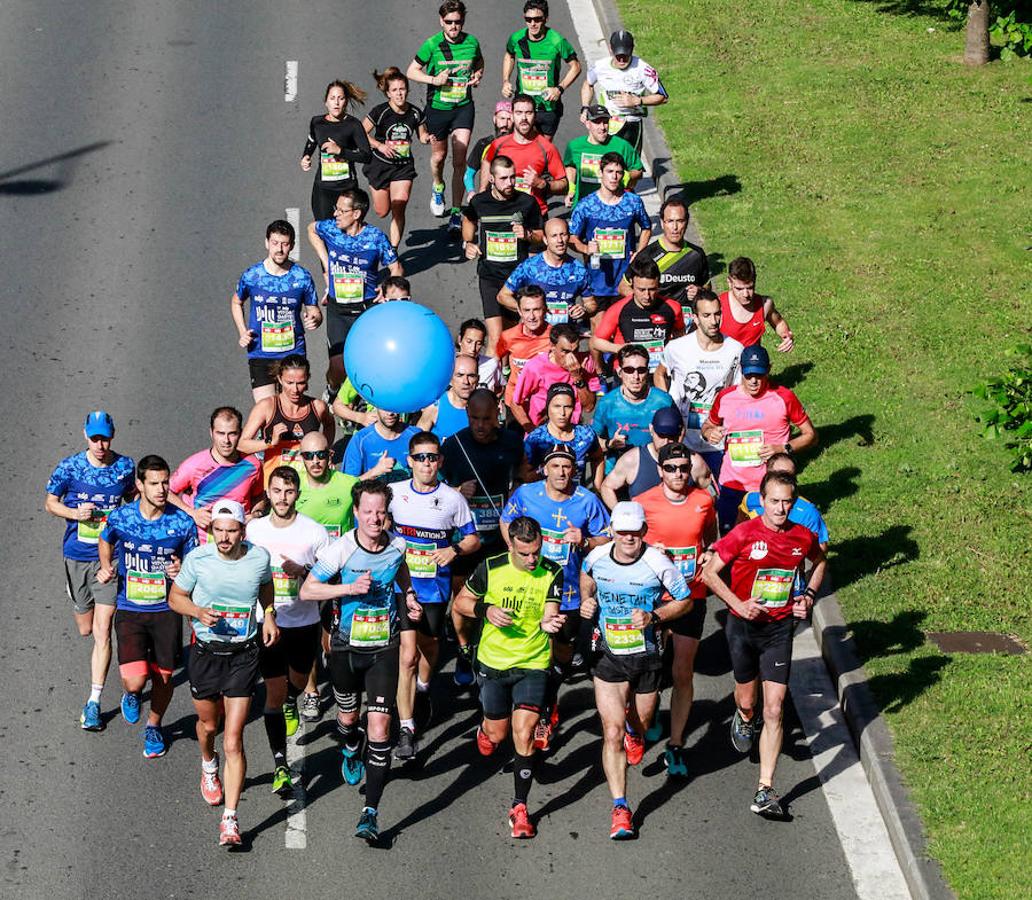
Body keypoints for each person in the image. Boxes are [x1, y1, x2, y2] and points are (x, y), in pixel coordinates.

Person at [300, 480, 421, 842]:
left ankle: (370, 811)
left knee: (381, 727)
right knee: (349, 717)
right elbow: (308, 590)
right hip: (345, 648)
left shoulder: (397, 544)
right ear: (356, 513)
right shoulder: (341, 550)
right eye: (367, 512)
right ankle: (351, 745)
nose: (374, 519)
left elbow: (401, 570)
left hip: (384, 647)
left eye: (380, 512)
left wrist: (410, 594)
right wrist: (348, 589)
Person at [702, 471, 827, 817]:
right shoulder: (745, 533)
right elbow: (710, 573)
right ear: (762, 501)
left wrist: (809, 596)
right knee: (748, 701)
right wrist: (737, 604)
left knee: (775, 708)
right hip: (742, 627)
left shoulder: (802, 537)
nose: (781, 508)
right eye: (774, 501)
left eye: (787, 501)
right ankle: (743, 716)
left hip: (778, 628)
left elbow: (819, 560)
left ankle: (765, 789)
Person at [168, 499, 277, 848]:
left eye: (231, 531)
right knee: (210, 726)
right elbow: (175, 598)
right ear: (212, 530)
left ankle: (230, 820)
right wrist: (198, 612)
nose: (225, 538)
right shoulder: (199, 559)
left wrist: (269, 613)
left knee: (234, 738)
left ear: (243, 531)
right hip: (205, 654)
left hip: (243, 654)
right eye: (219, 530)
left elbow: (265, 585)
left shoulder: (258, 557)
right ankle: (207, 762)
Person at [579, 501, 690, 839]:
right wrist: (588, 599)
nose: (628, 538)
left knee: (638, 723)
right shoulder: (598, 557)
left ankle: (635, 730)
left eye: (634, 532)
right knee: (610, 732)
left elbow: (685, 600)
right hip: (608, 656)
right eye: (622, 531)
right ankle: (620, 807)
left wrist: (654, 617)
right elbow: (586, 577)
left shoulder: (658, 563)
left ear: (644, 531)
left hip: (647, 658)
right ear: (612, 531)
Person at [452, 516, 565, 838]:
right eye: (525, 554)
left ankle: (519, 807)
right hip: (493, 662)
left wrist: (549, 625)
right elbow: (461, 603)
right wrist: (485, 611)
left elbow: (550, 611)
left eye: (537, 552)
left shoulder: (552, 570)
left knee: (524, 733)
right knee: (498, 734)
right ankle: (485, 730)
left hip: (533, 661)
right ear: (511, 545)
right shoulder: (491, 567)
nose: (533, 560)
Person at [502, 445, 610, 745]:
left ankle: (549, 697)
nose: (562, 472)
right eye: (556, 466)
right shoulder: (527, 494)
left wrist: (586, 540)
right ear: (545, 469)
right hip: (531, 586)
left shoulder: (587, 500)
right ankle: (541, 708)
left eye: (567, 467)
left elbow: (607, 537)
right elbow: (506, 521)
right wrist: (514, 554)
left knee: (560, 653)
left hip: (569, 592)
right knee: (537, 652)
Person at [97, 455, 196, 758]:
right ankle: (132, 693)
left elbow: (193, 563)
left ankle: (154, 725)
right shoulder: (121, 517)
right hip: (130, 607)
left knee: (164, 675)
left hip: (166, 609)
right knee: (136, 678)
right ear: (139, 485)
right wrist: (105, 566)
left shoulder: (182, 522)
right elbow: (105, 539)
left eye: (165, 482)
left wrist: (181, 569)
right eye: (154, 483)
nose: (162, 489)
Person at [389, 432, 480, 759]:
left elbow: (473, 540)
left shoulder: (452, 499)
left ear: (440, 461)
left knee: (429, 646)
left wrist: (453, 550)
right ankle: (406, 728)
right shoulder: (395, 493)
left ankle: (424, 690)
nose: (427, 463)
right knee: (407, 656)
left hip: (435, 589)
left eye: (432, 457)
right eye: (420, 457)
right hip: (401, 588)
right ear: (410, 461)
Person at [45, 411, 136, 731]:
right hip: (77, 556)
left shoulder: (125, 467)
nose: (101, 444)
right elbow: (49, 503)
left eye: (106, 438)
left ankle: (94, 702)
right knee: (85, 627)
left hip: (109, 559)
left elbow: (133, 499)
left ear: (113, 435)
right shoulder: (69, 467)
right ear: (85, 435)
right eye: (95, 438)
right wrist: (74, 512)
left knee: (103, 629)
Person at [246, 466, 330, 797]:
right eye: (277, 491)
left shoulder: (314, 532)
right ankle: (280, 764)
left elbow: (331, 575)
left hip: (304, 623)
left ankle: (294, 699)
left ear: (298, 494)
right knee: (273, 693)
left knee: (296, 682)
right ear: (268, 493)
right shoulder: (254, 530)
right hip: (266, 622)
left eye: (289, 491)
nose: (283, 498)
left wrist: (305, 569)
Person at [634, 443, 717, 777]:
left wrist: (709, 553)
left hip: (690, 596)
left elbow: (710, 537)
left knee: (683, 672)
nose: (679, 474)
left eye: (684, 468)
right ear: (660, 471)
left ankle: (676, 745)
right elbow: (626, 545)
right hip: (653, 598)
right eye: (671, 468)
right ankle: (647, 714)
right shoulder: (643, 504)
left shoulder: (703, 501)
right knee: (648, 670)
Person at [441, 388, 525, 685]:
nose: (480, 425)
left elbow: (524, 475)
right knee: (463, 600)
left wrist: (516, 494)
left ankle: (495, 656)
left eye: (486, 418)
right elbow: (434, 489)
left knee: (498, 600)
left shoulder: (513, 442)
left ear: (497, 413)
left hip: (500, 538)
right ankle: (464, 651)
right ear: (467, 415)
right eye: (474, 418)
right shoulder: (453, 446)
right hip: (465, 539)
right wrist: (456, 491)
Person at [702, 344, 817, 534]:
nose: (754, 381)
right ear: (741, 370)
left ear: (769, 370)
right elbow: (708, 425)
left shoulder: (783, 397)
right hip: (733, 484)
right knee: (730, 542)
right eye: (748, 375)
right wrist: (708, 433)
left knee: (767, 545)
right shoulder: (725, 397)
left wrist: (782, 448)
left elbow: (811, 435)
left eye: (759, 375)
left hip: (770, 488)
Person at [306, 188, 402, 399]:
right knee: (338, 365)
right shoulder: (331, 229)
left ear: (356, 214)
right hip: (338, 310)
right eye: (336, 209)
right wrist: (326, 261)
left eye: (341, 210)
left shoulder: (375, 237)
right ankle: (332, 389)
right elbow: (311, 229)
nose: (335, 214)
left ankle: (363, 399)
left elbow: (396, 269)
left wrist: (386, 287)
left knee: (369, 362)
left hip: (366, 310)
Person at [407, 0, 485, 230]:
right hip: (438, 109)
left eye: (458, 22)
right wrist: (434, 80)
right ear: (441, 21)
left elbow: (479, 61)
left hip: (463, 107)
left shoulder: (471, 42)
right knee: (439, 157)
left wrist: (478, 74)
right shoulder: (432, 45)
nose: (453, 26)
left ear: (463, 21)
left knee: (459, 160)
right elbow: (411, 71)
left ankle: (456, 213)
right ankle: (438, 186)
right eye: (449, 22)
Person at [655, 289, 743, 477]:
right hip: (682, 439)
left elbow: (738, 393)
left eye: (717, 314)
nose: (713, 321)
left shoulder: (735, 349)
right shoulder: (677, 348)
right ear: (695, 318)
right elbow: (659, 374)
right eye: (706, 315)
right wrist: (667, 407)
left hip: (716, 440)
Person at [231, 220, 321, 402]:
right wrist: (242, 332)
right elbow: (236, 302)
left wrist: (315, 319)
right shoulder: (252, 276)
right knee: (267, 411)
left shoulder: (302, 277)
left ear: (292, 246)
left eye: (285, 244)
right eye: (275, 243)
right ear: (267, 243)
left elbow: (314, 310)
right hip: (261, 352)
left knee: (290, 409)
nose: (279, 249)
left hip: (293, 353)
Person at [462, 155, 543, 351]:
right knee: (496, 337)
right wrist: (468, 243)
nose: (510, 183)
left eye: (513, 177)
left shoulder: (527, 202)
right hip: (489, 276)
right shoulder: (479, 202)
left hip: (517, 279)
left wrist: (527, 234)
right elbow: (468, 220)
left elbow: (541, 236)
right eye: (504, 178)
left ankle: (507, 372)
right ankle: (492, 381)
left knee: (514, 335)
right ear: (491, 179)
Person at [168, 407, 265, 542]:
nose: (226, 440)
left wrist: (256, 514)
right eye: (220, 433)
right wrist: (192, 513)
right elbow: (165, 491)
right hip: (203, 542)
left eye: (232, 434)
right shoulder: (194, 464)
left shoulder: (253, 465)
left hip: (238, 542)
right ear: (211, 433)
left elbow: (259, 496)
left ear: (240, 434)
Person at [569, 152, 651, 309]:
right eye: (610, 171)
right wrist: (586, 249)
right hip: (597, 278)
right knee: (599, 328)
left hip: (625, 278)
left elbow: (646, 227)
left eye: (619, 172)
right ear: (600, 173)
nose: (614, 177)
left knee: (624, 327)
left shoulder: (633, 202)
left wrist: (639, 253)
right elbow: (572, 238)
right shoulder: (586, 205)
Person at [238, 355, 335, 482]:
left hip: (308, 481)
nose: (295, 390)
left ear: (307, 379)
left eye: (300, 383)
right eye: (289, 383)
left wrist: (323, 450)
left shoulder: (318, 407)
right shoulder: (267, 407)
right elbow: (241, 445)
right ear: (279, 379)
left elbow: (329, 425)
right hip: (276, 484)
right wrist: (269, 442)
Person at [363, 67, 430, 250]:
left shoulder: (415, 113)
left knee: (399, 206)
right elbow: (360, 133)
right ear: (388, 93)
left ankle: (392, 250)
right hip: (380, 166)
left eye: (402, 89)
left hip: (403, 167)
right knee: (382, 211)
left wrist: (426, 139)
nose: (399, 94)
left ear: (407, 90)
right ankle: (377, 187)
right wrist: (379, 145)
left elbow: (421, 135)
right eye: (395, 90)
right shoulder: (380, 112)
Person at [501, 1, 581, 138]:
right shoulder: (516, 39)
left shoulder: (557, 41)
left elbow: (576, 66)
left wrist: (559, 89)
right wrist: (506, 80)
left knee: (542, 152)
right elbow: (509, 56)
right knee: (521, 146)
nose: (533, 24)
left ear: (546, 18)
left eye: (537, 19)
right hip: (523, 105)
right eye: (528, 19)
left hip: (547, 107)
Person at [591, 255, 684, 372]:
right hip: (628, 373)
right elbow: (596, 341)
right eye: (641, 290)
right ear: (631, 283)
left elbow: (680, 333)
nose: (647, 296)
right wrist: (619, 348)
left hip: (660, 372)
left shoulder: (673, 307)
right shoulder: (618, 309)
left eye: (652, 289)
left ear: (658, 284)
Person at [580, 29, 667, 154]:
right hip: (607, 123)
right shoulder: (600, 66)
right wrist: (585, 107)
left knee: (633, 169)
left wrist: (638, 101)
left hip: (632, 122)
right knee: (607, 164)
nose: (622, 60)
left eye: (625, 55)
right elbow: (587, 84)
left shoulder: (643, 68)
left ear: (632, 49)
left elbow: (663, 97)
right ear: (611, 49)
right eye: (618, 55)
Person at [479, 94, 568, 216]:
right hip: (503, 212)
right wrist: (483, 191)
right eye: (519, 112)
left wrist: (542, 184)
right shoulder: (498, 144)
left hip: (534, 214)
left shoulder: (547, 148)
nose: (524, 118)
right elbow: (487, 161)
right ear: (512, 115)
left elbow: (564, 185)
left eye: (528, 113)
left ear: (535, 116)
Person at [592, 343, 676, 473]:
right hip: (617, 472)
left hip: (655, 471)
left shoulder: (663, 401)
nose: (636, 377)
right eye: (629, 370)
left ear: (647, 371)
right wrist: (610, 444)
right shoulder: (607, 403)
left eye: (641, 370)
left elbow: (680, 431)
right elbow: (593, 443)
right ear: (619, 372)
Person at [620, 195, 708, 318]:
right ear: (662, 223)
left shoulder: (697, 254)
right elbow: (623, 287)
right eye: (670, 221)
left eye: (680, 221)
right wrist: (645, 306)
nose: (675, 228)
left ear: (686, 222)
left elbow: (706, 286)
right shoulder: (646, 255)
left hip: (688, 323)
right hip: (657, 321)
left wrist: (700, 291)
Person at [498, 217, 596, 327]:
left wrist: (583, 310)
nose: (560, 240)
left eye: (563, 234)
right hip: (536, 334)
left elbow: (591, 303)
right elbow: (503, 296)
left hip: (564, 335)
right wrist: (527, 310)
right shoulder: (530, 266)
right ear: (545, 240)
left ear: (568, 237)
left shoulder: (578, 270)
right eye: (554, 236)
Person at [300, 80, 372, 219]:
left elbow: (366, 156)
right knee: (324, 230)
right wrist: (306, 157)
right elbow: (312, 140)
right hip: (323, 188)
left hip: (347, 189)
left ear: (346, 101)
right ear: (326, 101)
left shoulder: (353, 125)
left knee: (345, 233)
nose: (336, 102)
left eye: (341, 98)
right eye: (332, 98)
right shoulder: (317, 122)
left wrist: (341, 151)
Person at [601, 406, 697, 507]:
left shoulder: (694, 462)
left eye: (671, 437)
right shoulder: (633, 460)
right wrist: (620, 514)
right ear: (651, 429)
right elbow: (607, 487)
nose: (666, 442)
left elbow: (711, 494)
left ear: (681, 434)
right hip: (646, 521)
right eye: (661, 435)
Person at [512, 322, 601, 431]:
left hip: (572, 433)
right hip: (542, 432)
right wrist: (531, 430)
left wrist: (577, 378)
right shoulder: (535, 367)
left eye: (575, 351)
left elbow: (589, 407)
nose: (572, 357)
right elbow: (516, 402)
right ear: (553, 346)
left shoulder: (586, 363)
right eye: (565, 351)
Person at [738, 453, 829, 552]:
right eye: (778, 476)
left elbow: (820, 549)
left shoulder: (807, 511)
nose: (783, 481)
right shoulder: (750, 499)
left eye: (789, 477)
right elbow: (738, 531)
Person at [523, 383, 604, 487]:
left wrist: (597, 489)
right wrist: (545, 471)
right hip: (546, 499)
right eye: (557, 406)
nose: (562, 413)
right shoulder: (536, 439)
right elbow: (524, 476)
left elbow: (598, 458)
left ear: (574, 408)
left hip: (577, 498)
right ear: (548, 408)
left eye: (567, 407)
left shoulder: (586, 435)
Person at [563, 105, 642, 207]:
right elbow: (570, 166)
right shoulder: (574, 146)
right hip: (584, 206)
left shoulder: (622, 146)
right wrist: (571, 189)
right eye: (597, 122)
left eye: (605, 122)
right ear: (588, 124)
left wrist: (624, 176)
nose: (602, 127)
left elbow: (638, 171)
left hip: (613, 207)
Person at [496, 285, 551, 413]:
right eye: (526, 310)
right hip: (515, 402)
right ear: (519, 311)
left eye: (536, 310)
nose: (531, 316)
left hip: (544, 403)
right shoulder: (508, 336)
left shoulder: (554, 337)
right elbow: (498, 358)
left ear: (545, 310)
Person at [719, 257, 794, 352]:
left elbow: (778, 322)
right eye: (739, 289)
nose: (746, 294)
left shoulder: (764, 304)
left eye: (750, 288)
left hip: (754, 363)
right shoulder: (718, 306)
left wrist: (787, 337)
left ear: (755, 279)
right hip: (725, 364)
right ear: (729, 282)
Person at [295, 432, 359, 540]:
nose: (315, 461)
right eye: (308, 456)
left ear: (330, 455)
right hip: (305, 555)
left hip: (341, 555)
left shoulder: (350, 484)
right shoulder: (291, 486)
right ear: (301, 458)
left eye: (321, 455)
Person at [342, 407, 420, 484]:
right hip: (372, 494)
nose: (390, 413)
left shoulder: (416, 435)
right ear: (376, 406)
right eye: (385, 407)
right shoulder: (360, 439)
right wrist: (374, 472)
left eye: (394, 406)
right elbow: (348, 485)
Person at [418, 353, 480, 440]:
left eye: (471, 376)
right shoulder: (436, 407)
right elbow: (416, 444)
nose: (466, 382)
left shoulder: (483, 407)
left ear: (478, 379)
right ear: (450, 379)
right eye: (460, 375)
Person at [464, 100, 514, 201]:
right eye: (502, 118)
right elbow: (468, 173)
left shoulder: (520, 146)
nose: (505, 124)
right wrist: (471, 191)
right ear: (495, 119)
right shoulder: (484, 144)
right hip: (489, 200)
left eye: (509, 119)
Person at [457, 317, 503, 393]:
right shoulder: (448, 364)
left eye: (478, 343)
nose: (473, 349)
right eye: (469, 341)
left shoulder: (491, 364)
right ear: (460, 340)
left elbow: (501, 387)